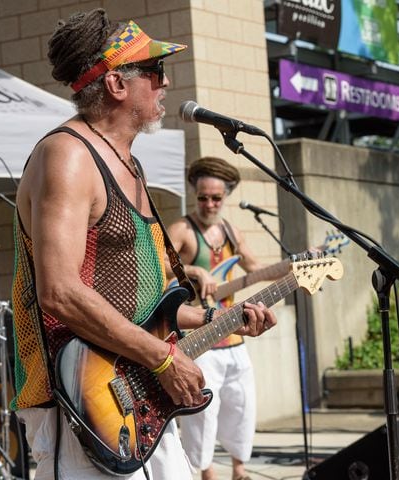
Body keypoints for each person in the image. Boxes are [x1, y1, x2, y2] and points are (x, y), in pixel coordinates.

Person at [10, 9, 277, 479]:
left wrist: (221, 319)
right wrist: (162, 357)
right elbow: (59, 292)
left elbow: (148, 305)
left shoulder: (129, 164)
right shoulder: (67, 157)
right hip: (79, 400)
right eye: (154, 72)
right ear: (116, 84)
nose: (165, 82)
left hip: (139, 390)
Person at [166, 157, 288, 480]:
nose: (209, 204)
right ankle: (206, 472)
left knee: (242, 405)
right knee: (202, 411)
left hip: (233, 335)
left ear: (226, 197)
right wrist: (193, 270)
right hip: (201, 338)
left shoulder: (230, 230)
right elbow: (155, 264)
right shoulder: (182, 229)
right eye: (203, 197)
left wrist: (296, 264)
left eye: (216, 198)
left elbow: (255, 269)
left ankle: (239, 469)